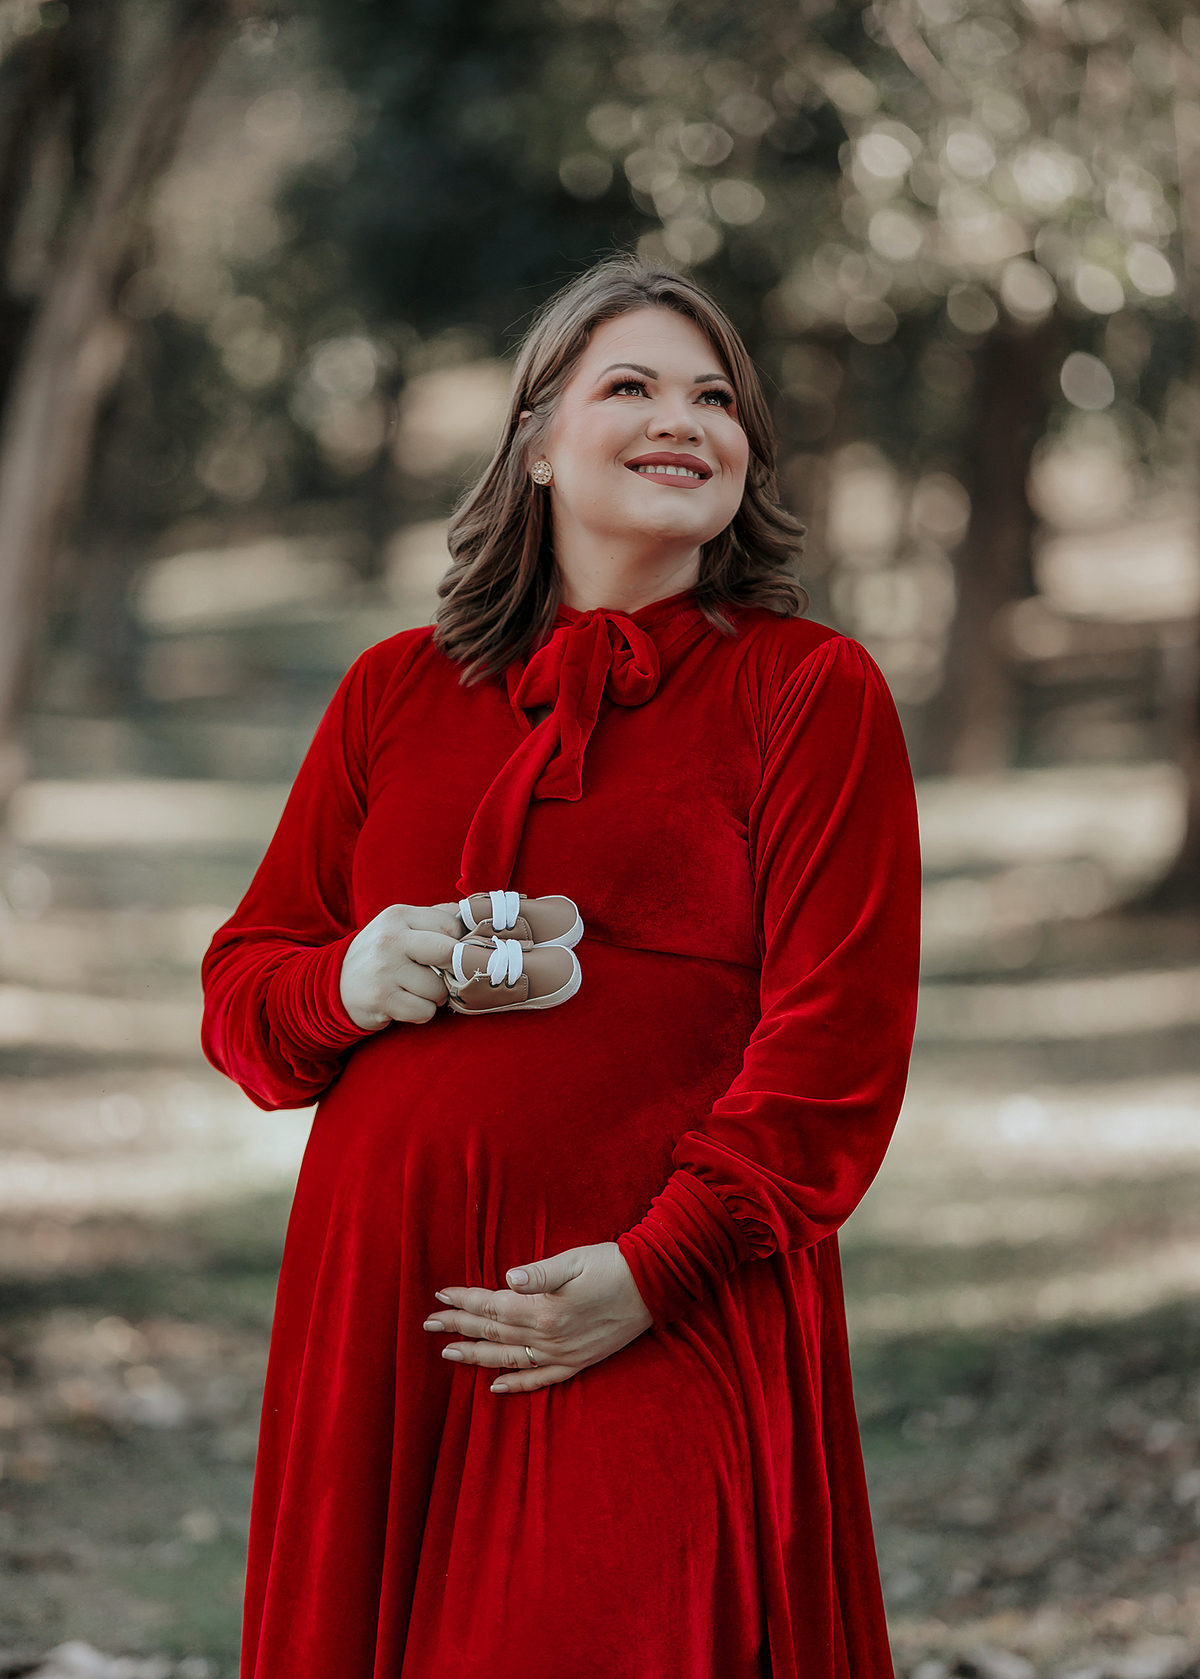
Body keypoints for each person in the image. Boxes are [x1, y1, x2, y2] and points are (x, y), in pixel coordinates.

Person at [201, 255, 921, 1679]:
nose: (685, 420)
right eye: (633, 386)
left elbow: (839, 1044)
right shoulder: (393, 689)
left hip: (662, 1300)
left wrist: (656, 1270)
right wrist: (344, 982)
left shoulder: (806, 689)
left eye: (717, 398)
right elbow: (243, 998)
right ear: (535, 442)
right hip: (389, 1310)